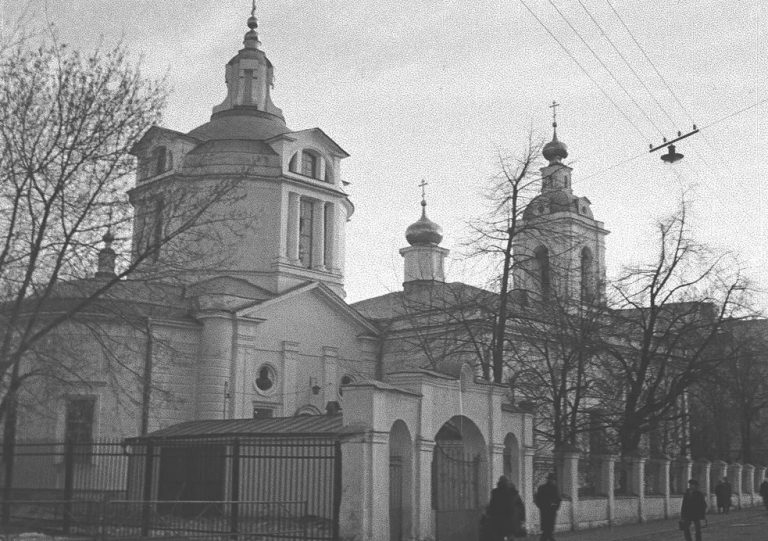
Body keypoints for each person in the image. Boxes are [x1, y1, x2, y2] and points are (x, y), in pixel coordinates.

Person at [486, 475, 526, 541]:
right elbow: (521, 507)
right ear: (508, 483)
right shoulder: (514, 493)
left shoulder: (495, 493)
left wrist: (489, 515)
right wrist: (522, 519)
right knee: (510, 536)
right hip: (511, 520)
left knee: (499, 537)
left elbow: (491, 506)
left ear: (499, 482)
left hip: (498, 520)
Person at [534, 473, 561, 541]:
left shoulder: (542, 488)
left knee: (546, 531)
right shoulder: (554, 488)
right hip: (550, 511)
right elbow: (558, 499)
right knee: (548, 531)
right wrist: (555, 507)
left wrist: (541, 507)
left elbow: (537, 499)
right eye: (551, 479)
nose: (551, 480)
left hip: (545, 511)